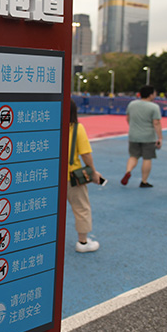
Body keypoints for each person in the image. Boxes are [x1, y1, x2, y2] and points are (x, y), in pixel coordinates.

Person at [67, 99, 103, 252]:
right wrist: (93, 172)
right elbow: (85, 154)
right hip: (71, 177)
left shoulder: (49, 126)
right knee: (81, 208)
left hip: (49, 176)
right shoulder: (76, 128)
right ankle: (82, 243)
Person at [121, 85, 162, 187]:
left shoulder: (132, 104)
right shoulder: (154, 107)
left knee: (133, 156)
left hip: (133, 135)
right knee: (147, 158)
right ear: (150, 94)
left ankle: (128, 171)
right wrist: (160, 137)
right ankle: (144, 181)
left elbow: (128, 118)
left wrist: (133, 127)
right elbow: (156, 123)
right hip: (148, 136)